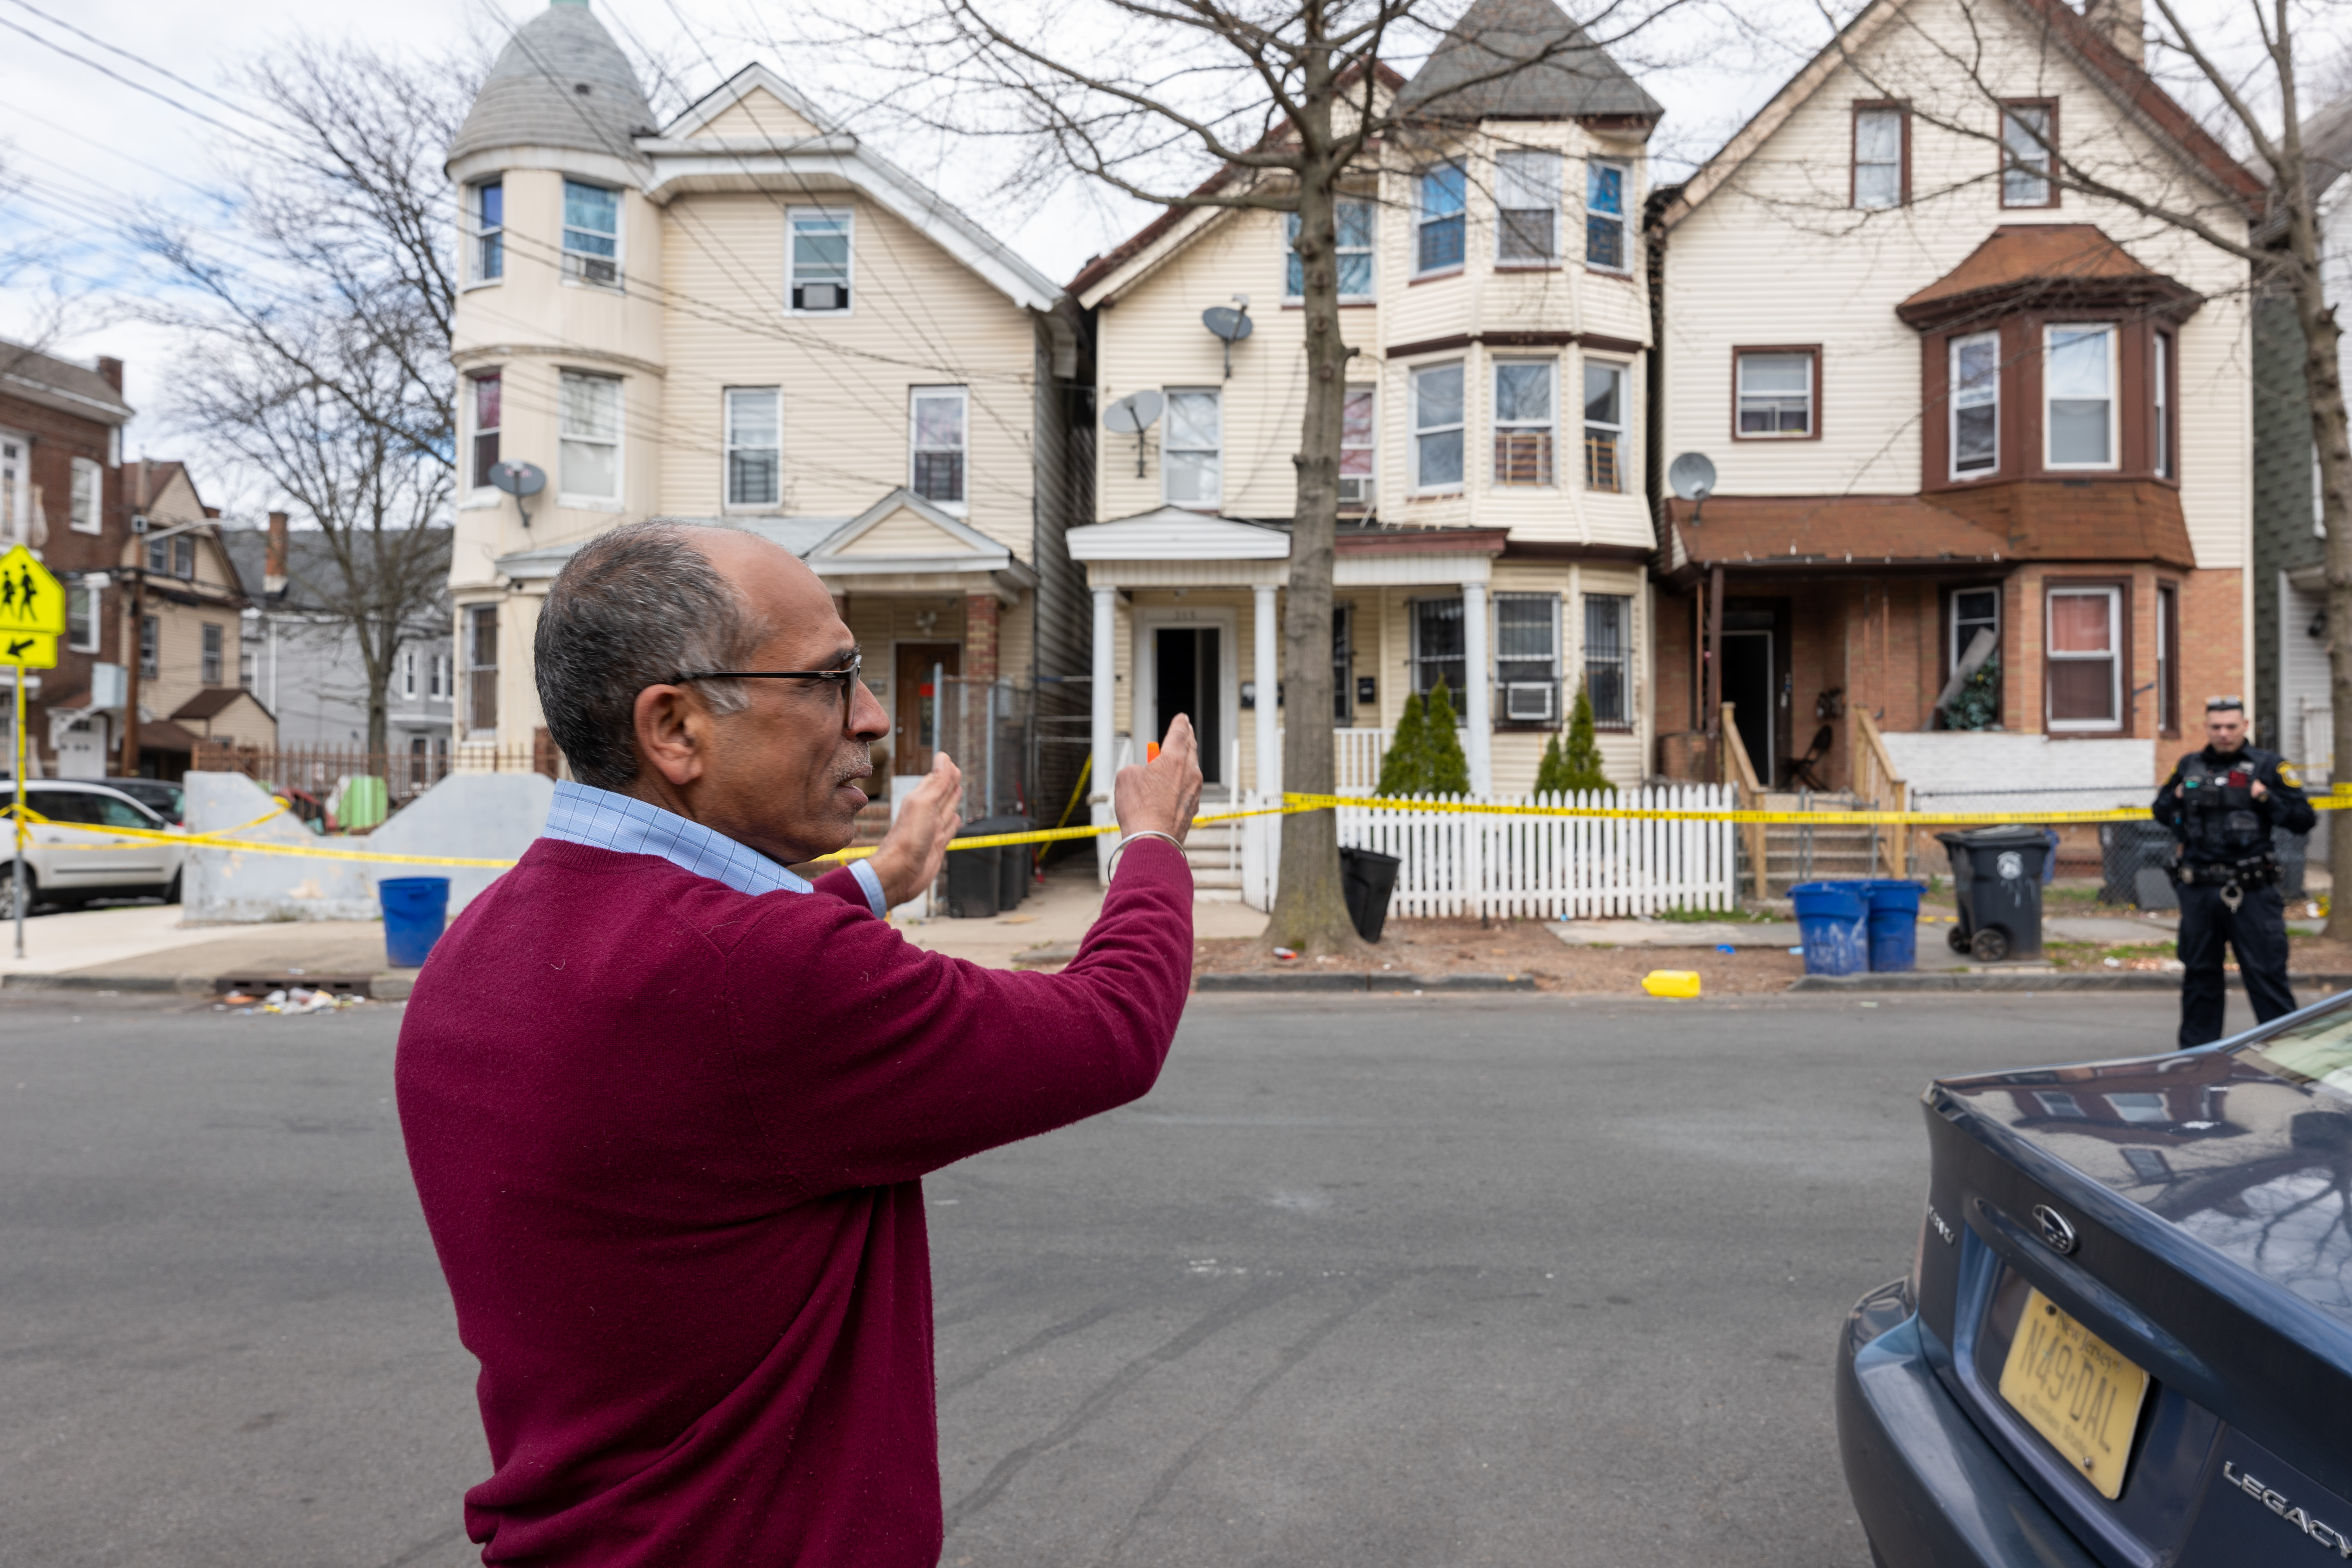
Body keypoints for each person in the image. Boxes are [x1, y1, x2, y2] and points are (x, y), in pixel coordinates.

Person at [395, 521, 1202, 1566]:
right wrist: (1149, 842)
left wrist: (873, 883)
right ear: (675, 728)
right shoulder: (763, 977)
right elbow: (1112, 1027)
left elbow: (687, 978)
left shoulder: (480, 949)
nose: (871, 719)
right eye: (827, 682)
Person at [2153, 695, 2315, 1048]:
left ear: (2245, 726)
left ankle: (2288, 1055)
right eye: (2216, 727)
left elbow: (2304, 819)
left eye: (2231, 726)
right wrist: (2177, 796)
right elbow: (2160, 812)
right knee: (2200, 978)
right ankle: (2197, 1058)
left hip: (2251, 891)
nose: (2224, 734)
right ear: (2206, 728)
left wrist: (2266, 798)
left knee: (2267, 976)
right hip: (2200, 891)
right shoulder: (2189, 765)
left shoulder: (2269, 766)